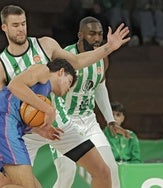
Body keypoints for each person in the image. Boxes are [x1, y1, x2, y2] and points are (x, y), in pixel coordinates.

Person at [0, 5, 130, 188]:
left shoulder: (45, 45)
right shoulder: (0, 67)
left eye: (23, 24)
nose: (21, 29)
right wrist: (34, 127)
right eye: (15, 25)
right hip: (27, 133)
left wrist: (109, 47)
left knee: (103, 172)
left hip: (59, 124)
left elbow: (78, 61)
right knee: (4, 184)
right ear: (4, 27)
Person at [51, 16, 130, 188]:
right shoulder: (66, 57)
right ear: (80, 35)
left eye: (100, 34)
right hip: (65, 122)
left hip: (88, 121)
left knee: (110, 169)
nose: (97, 38)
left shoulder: (103, 58)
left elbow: (100, 88)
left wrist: (110, 120)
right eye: (92, 34)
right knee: (67, 174)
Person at [0, 59, 77, 188]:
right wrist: (48, 109)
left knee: (8, 184)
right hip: (2, 125)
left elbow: (19, 111)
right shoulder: (44, 70)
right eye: (69, 82)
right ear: (60, 72)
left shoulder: (40, 92)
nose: (68, 89)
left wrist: (38, 129)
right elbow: (14, 85)